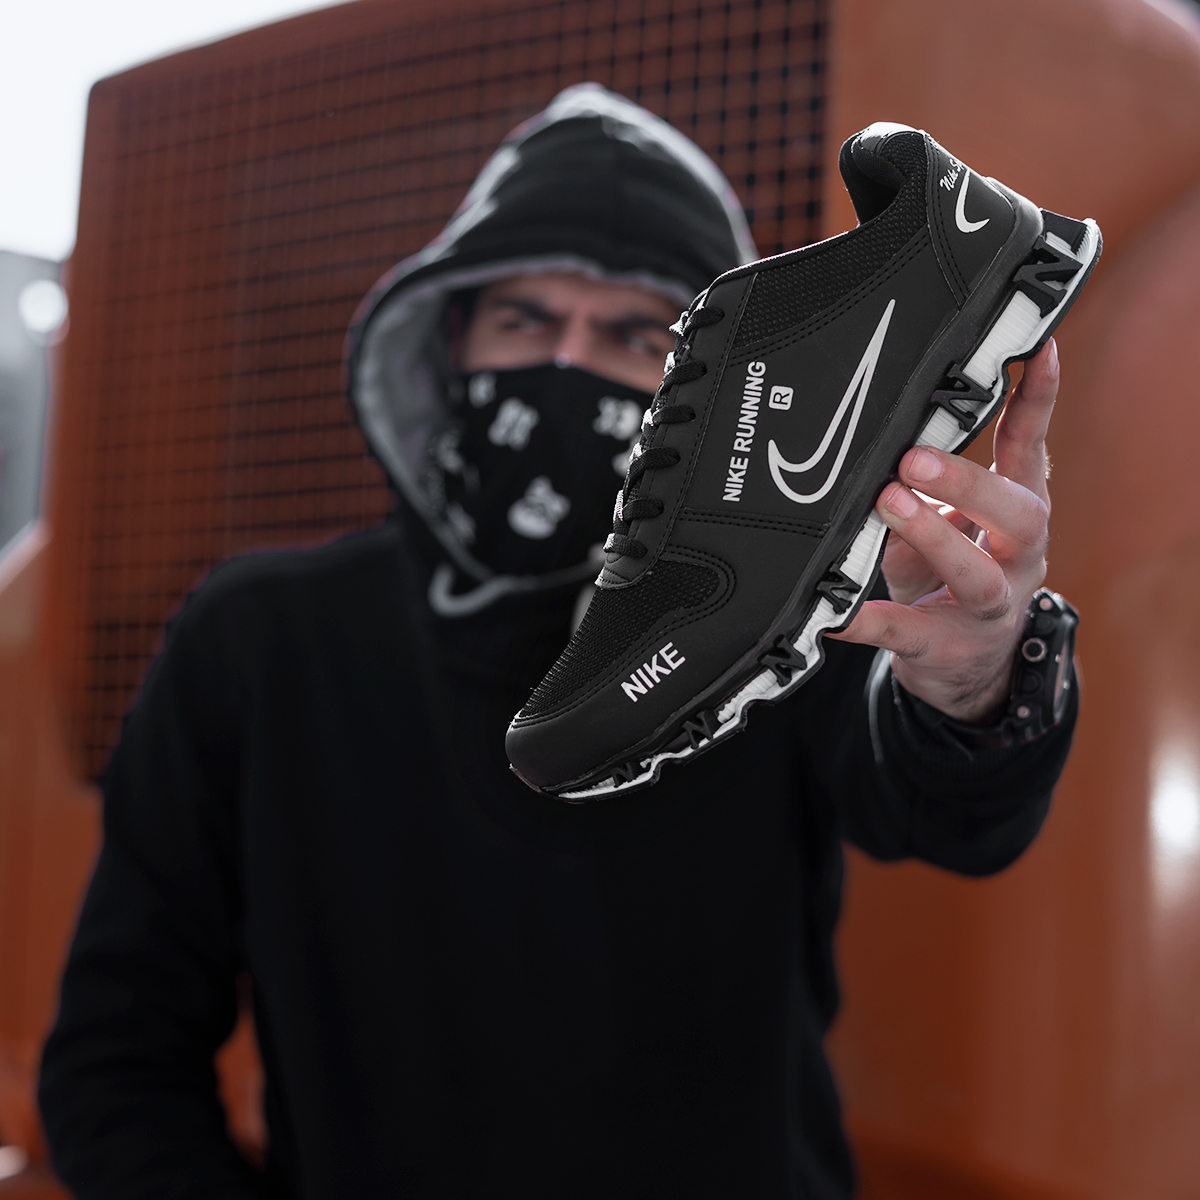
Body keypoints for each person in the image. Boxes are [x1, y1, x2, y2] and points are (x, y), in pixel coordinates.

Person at [39, 85, 1075, 1199]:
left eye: (633, 336)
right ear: (450, 345)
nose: (568, 365)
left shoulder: (774, 605)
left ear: (709, 388)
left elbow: (948, 812)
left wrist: (980, 677)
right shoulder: (258, 640)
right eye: (526, 322)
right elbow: (117, 1057)